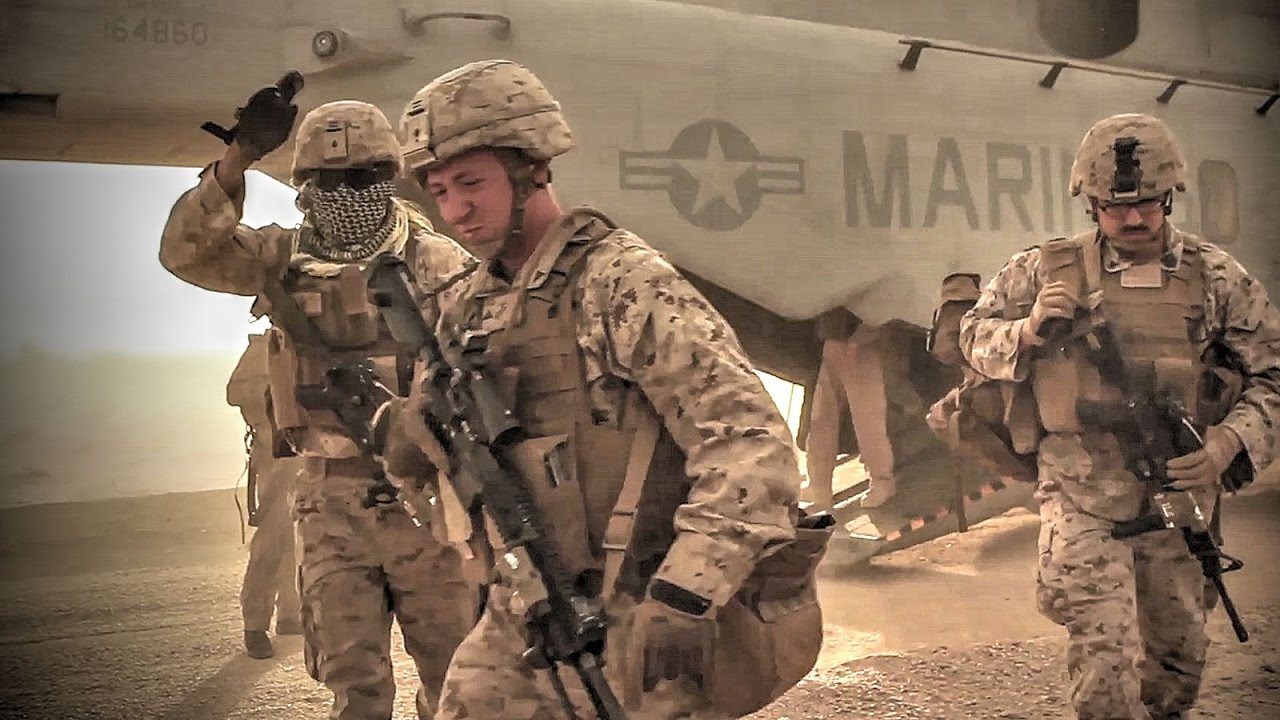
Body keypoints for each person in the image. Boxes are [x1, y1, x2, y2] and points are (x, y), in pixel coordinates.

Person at [383, 59, 818, 719]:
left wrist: (689, 590)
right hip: (525, 608)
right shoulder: (468, 308)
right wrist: (411, 432)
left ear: (532, 169)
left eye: (471, 182)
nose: (454, 210)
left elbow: (749, 441)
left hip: (640, 607)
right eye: (438, 190)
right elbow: (435, 461)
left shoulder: (622, 282)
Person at [160, 88, 479, 718]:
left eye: (362, 178)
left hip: (427, 500)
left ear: (388, 179)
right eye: (328, 182)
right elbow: (185, 253)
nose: (345, 194)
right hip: (329, 503)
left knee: (456, 685)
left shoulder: (436, 262)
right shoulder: (279, 259)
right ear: (305, 187)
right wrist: (237, 160)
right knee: (354, 689)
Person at [960, 113, 1279, 720]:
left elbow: (1274, 373)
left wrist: (1226, 446)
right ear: (1091, 204)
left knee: (1177, 667)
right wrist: (1027, 330)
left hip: (1179, 496)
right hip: (1081, 489)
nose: (1133, 220)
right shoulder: (1045, 269)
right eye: (1115, 207)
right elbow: (970, 336)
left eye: (1148, 204)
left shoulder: (1215, 277)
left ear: (1170, 197)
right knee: (1105, 664)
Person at [226, 332, 304, 660]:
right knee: (271, 541)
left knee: (299, 538)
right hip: (277, 458)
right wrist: (279, 395)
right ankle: (255, 625)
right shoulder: (264, 346)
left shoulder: (317, 343)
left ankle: (289, 613)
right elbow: (235, 393)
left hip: (309, 456)